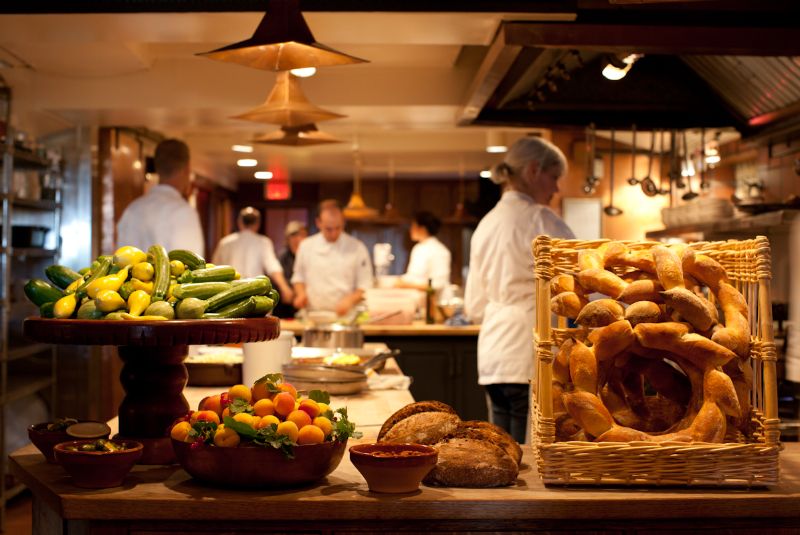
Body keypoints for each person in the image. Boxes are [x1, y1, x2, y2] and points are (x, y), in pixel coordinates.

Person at [464, 136, 575, 443]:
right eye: (554, 178)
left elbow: (473, 305)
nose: (556, 189)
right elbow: (581, 279)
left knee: (501, 451)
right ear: (533, 171)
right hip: (529, 350)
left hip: (493, 354)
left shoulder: (485, 224)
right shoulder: (541, 220)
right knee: (528, 454)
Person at [117, 138, 204, 254]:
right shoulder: (182, 212)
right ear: (187, 169)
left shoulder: (132, 209)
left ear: (157, 168)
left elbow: (120, 259)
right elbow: (191, 266)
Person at [292, 199, 373, 316]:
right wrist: (301, 294)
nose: (334, 233)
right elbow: (298, 277)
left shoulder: (357, 248)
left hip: (346, 317)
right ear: (318, 223)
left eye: (338, 228)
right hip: (313, 315)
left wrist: (350, 300)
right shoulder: (306, 246)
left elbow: (365, 285)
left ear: (343, 222)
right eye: (329, 229)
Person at [211, 206, 293, 303]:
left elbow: (214, 270)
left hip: (229, 295)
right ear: (257, 224)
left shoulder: (225, 242)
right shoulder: (263, 242)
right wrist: (284, 287)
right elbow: (272, 267)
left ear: (239, 222)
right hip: (255, 294)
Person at [395, 211, 451, 291]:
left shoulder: (440, 251)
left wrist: (407, 285)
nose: (410, 230)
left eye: (413, 226)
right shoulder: (418, 248)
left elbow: (439, 283)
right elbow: (413, 276)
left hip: (435, 300)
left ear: (422, 229)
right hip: (418, 298)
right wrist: (399, 281)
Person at [273, 220, 308, 318]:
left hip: (306, 307)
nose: (298, 239)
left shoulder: (309, 255)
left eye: (301, 235)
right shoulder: (282, 257)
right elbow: (277, 281)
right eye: (293, 236)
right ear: (288, 239)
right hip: (285, 310)